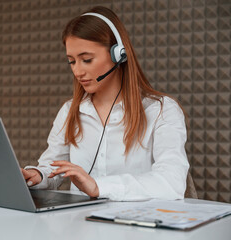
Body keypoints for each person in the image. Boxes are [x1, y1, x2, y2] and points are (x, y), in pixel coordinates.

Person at [21, 6, 189, 201]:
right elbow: (54, 167)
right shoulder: (69, 111)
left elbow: (171, 182)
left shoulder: (161, 110)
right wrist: (38, 175)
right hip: (80, 226)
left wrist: (98, 186)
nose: (78, 71)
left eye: (86, 59)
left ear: (118, 54)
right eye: (72, 61)